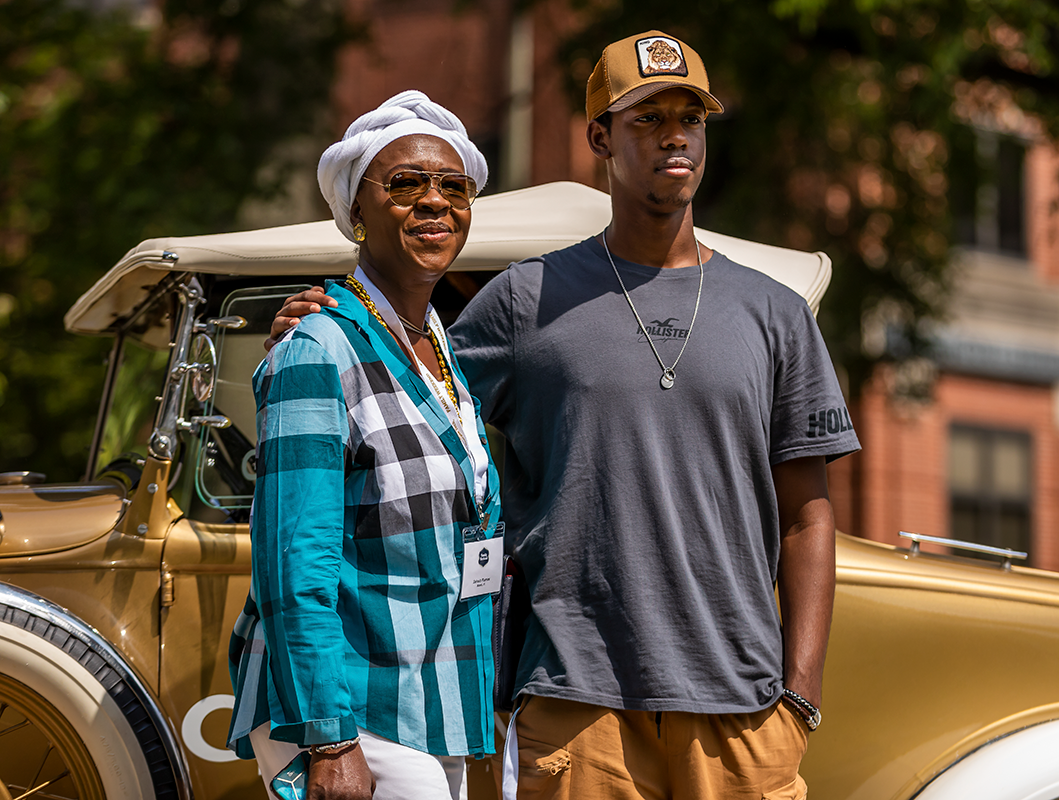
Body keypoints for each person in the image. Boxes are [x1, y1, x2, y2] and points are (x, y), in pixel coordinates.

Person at [269, 31, 860, 800]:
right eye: (645, 117)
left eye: (690, 115)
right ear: (599, 137)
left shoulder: (776, 314)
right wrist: (325, 320)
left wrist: (799, 694)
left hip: (742, 711)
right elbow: (410, 383)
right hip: (573, 703)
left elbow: (806, 519)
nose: (673, 133)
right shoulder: (523, 300)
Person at [227, 90, 505, 800]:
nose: (434, 203)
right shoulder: (317, 347)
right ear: (356, 210)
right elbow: (294, 560)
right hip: (354, 700)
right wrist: (329, 739)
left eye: (453, 186)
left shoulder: (437, 348)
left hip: (429, 688)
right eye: (405, 184)